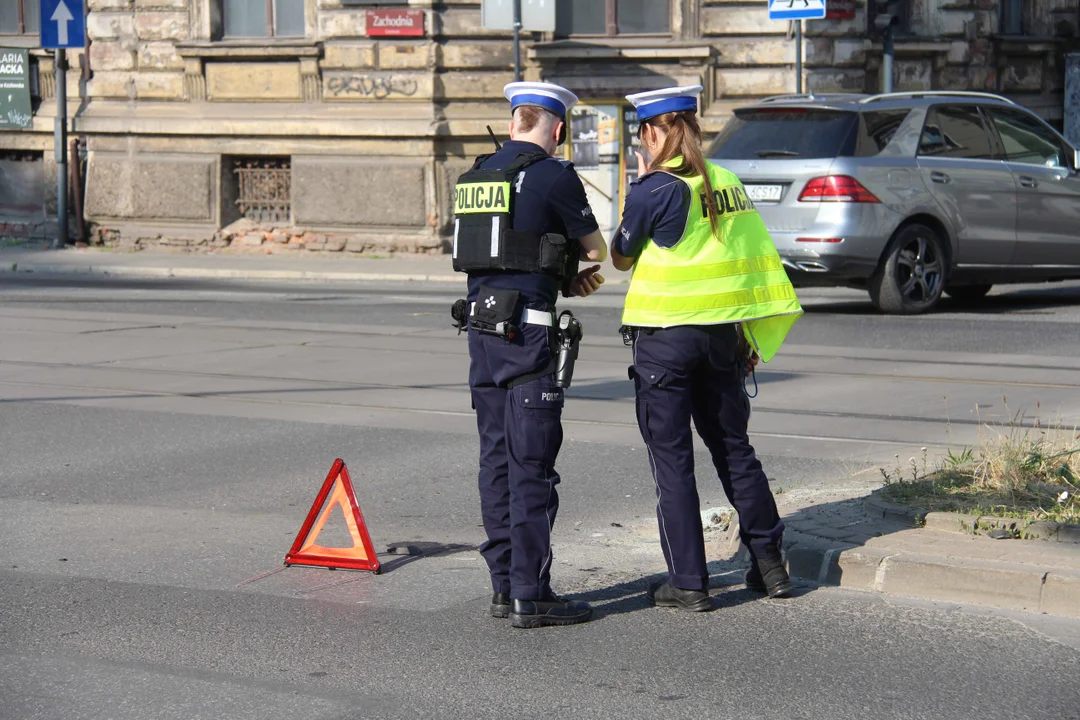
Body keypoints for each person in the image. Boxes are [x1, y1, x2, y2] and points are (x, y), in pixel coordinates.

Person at [610, 85, 804, 612]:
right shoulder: (727, 182)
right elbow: (749, 259)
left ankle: (689, 583)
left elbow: (621, 256)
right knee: (733, 450)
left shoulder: (655, 187)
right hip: (723, 338)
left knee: (672, 461)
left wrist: (638, 185)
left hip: (666, 340)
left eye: (642, 136)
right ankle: (770, 566)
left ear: (651, 133)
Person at [451, 81, 607, 628]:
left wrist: (551, 269)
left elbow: (491, 252)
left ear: (514, 120)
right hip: (527, 337)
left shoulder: (474, 178)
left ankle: (501, 587)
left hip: (480, 334)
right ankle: (531, 593)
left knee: (495, 459)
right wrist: (568, 271)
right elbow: (597, 249)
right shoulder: (553, 174)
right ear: (557, 129)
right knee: (532, 463)